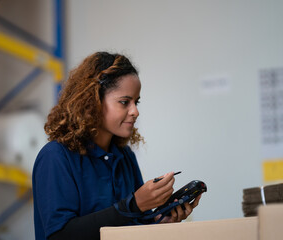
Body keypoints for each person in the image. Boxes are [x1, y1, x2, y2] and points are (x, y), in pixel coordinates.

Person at [32, 52, 202, 240]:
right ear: (92, 101)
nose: (135, 111)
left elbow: (136, 227)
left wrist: (161, 224)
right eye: (124, 102)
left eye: (136, 102)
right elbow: (60, 236)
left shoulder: (125, 156)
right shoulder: (55, 156)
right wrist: (132, 205)